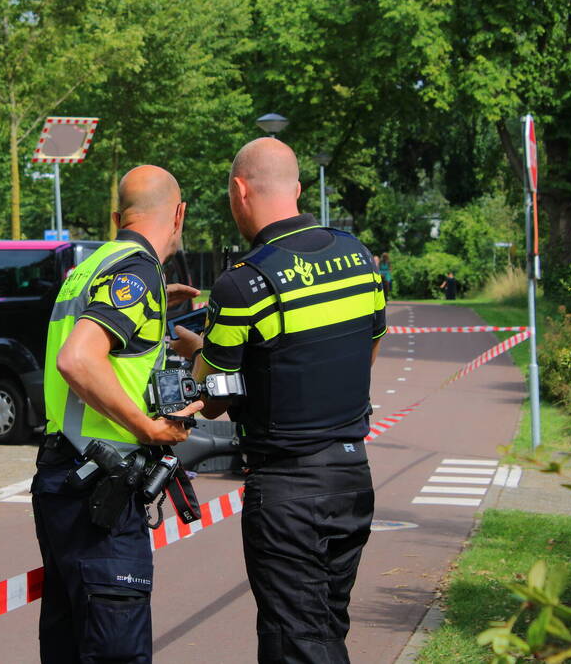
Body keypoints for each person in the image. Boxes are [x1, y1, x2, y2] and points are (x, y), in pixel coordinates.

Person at [171, 138, 386, 663]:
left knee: (296, 644)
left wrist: (194, 347)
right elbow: (370, 349)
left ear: (239, 191)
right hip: (353, 478)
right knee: (326, 629)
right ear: (296, 188)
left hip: (290, 491)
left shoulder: (244, 285)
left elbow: (214, 397)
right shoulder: (358, 256)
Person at [33, 164, 203, 664]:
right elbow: (78, 359)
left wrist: (157, 309)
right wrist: (149, 426)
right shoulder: (138, 270)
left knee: (68, 646)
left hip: (62, 477)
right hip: (100, 489)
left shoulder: (90, 266)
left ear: (116, 217)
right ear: (179, 214)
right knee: (114, 651)